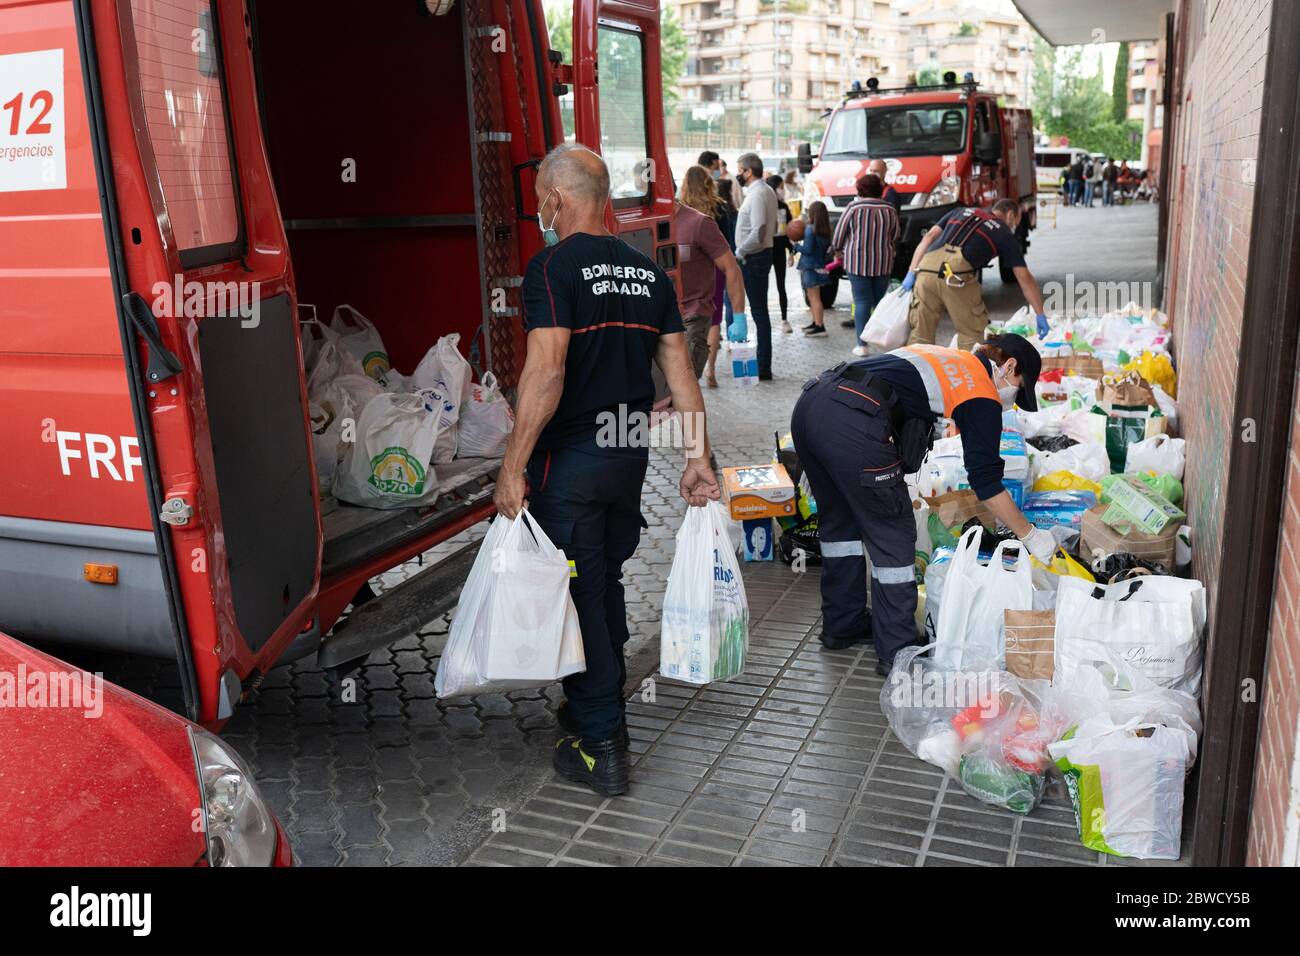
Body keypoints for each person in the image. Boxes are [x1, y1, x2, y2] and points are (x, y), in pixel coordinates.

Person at [497, 143, 721, 796]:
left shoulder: (550, 269)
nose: (540, 207)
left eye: (541, 195)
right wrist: (696, 459)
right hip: (626, 459)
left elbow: (546, 371)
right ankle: (587, 707)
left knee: (581, 596)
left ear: (557, 200)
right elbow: (680, 371)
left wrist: (513, 465)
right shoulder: (646, 273)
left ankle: (602, 743)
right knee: (602, 585)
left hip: (569, 466)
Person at [790, 334, 1056, 672]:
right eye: (1018, 389)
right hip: (855, 419)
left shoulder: (948, 356)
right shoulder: (982, 391)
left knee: (841, 523)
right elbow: (987, 483)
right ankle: (898, 651)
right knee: (893, 533)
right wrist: (1030, 535)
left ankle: (843, 624)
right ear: (1009, 366)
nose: (1012, 400)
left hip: (812, 403)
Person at [901, 199, 1049, 350]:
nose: (1013, 228)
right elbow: (1024, 277)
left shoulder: (959, 211)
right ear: (1011, 215)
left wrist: (911, 272)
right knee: (972, 336)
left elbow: (928, 237)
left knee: (920, 335)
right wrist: (1039, 313)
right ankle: (967, 372)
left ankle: (914, 370)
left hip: (925, 270)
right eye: (1015, 224)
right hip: (956, 278)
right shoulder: (1003, 231)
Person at [676, 165, 746, 382]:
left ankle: (710, 368)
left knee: (684, 389)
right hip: (664, 316)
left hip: (697, 307)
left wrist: (739, 315)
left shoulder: (699, 221)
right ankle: (711, 369)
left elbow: (730, 263)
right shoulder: (719, 209)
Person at [830, 172, 900, 356]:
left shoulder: (853, 208)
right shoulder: (890, 209)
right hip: (883, 263)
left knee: (861, 302)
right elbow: (895, 235)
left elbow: (838, 236)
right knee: (878, 303)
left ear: (860, 189)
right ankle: (879, 339)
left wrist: (837, 250)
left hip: (857, 263)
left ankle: (862, 345)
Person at [732, 151, 779, 379]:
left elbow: (758, 231)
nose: (738, 174)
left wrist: (739, 252)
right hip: (757, 257)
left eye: (740, 170)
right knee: (759, 312)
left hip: (754, 259)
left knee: (759, 313)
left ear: (749, 171)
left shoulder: (759, 194)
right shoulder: (763, 191)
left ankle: (763, 366)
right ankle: (762, 365)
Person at [792, 201, 834, 335]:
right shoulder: (825, 230)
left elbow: (807, 249)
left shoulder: (810, 229)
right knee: (813, 296)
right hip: (819, 265)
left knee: (814, 298)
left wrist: (795, 245)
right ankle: (815, 322)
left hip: (810, 266)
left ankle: (820, 326)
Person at [767, 173, 794, 334]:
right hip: (765, 250)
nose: (783, 190)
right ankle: (764, 318)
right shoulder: (764, 205)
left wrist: (791, 251)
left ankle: (784, 319)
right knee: (764, 287)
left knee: (781, 285)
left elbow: (789, 231)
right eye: (781, 187)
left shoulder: (784, 207)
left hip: (779, 250)